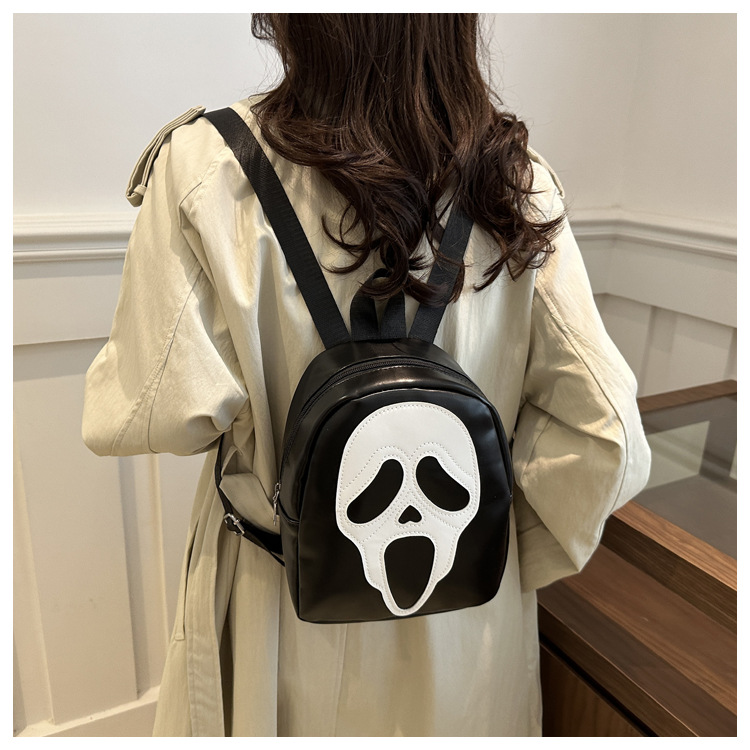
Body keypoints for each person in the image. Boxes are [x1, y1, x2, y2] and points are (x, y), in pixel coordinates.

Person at [82, 14, 651, 737]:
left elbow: (146, 413)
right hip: (465, 621)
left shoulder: (206, 166)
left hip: (281, 603)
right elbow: (608, 438)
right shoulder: (517, 182)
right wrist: (492, 546)